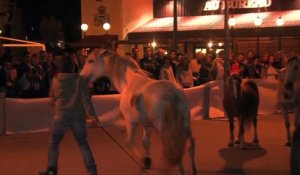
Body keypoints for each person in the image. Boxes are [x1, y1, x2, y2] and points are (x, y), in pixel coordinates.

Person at [39, 54, 100, 175]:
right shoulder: (79, 80)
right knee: (83, 143)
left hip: (61, 115)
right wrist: (92, 116)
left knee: (54, 143)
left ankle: (52, 169)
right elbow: (86, 99)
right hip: (78, 116)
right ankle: (91, 170)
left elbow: (53, 97)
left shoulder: (56, 79)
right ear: (73, 66)